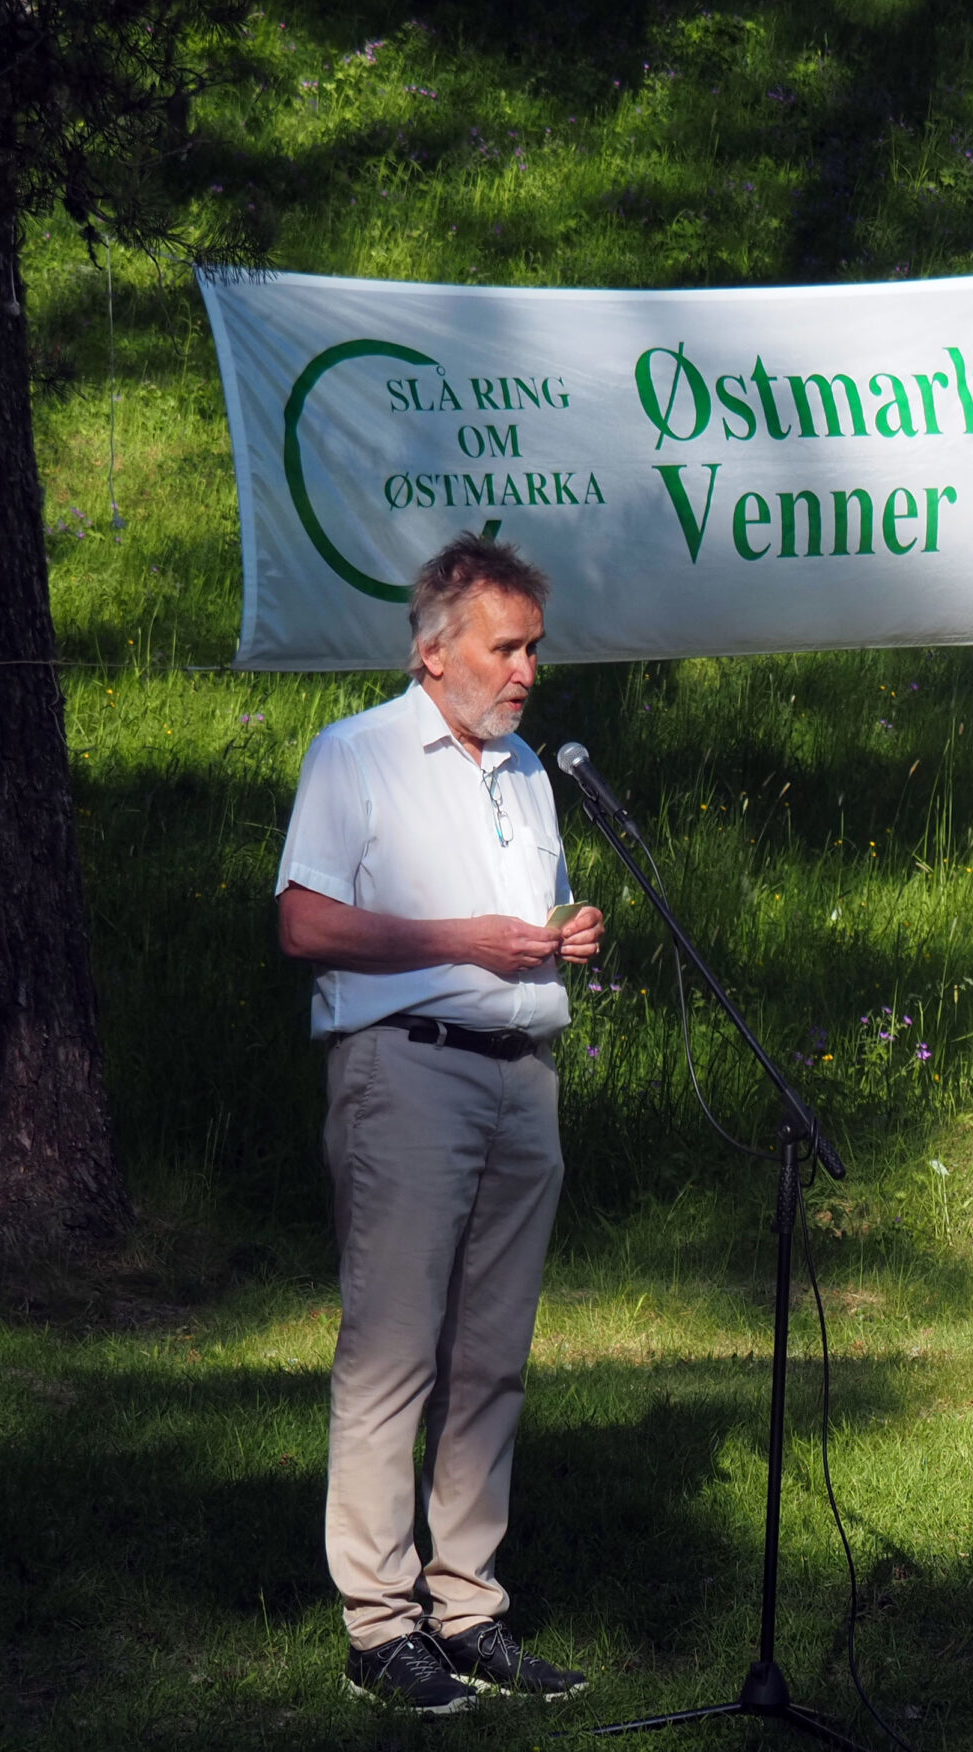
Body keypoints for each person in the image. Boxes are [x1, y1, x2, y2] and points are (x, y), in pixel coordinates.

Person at [274, 533, 605, 1714]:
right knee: (394, 1352)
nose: (524, 670)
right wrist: (460, 940)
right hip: (406, 1072)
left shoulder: (522, 768)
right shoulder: (356, 755)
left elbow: (508, 926)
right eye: (503, 647)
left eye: (533, 648)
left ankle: (468, 1606)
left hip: (522, 1072)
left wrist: (556, 938)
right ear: (433, 652)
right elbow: (305, 927)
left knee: (491, 1357)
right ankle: (380, 1625)